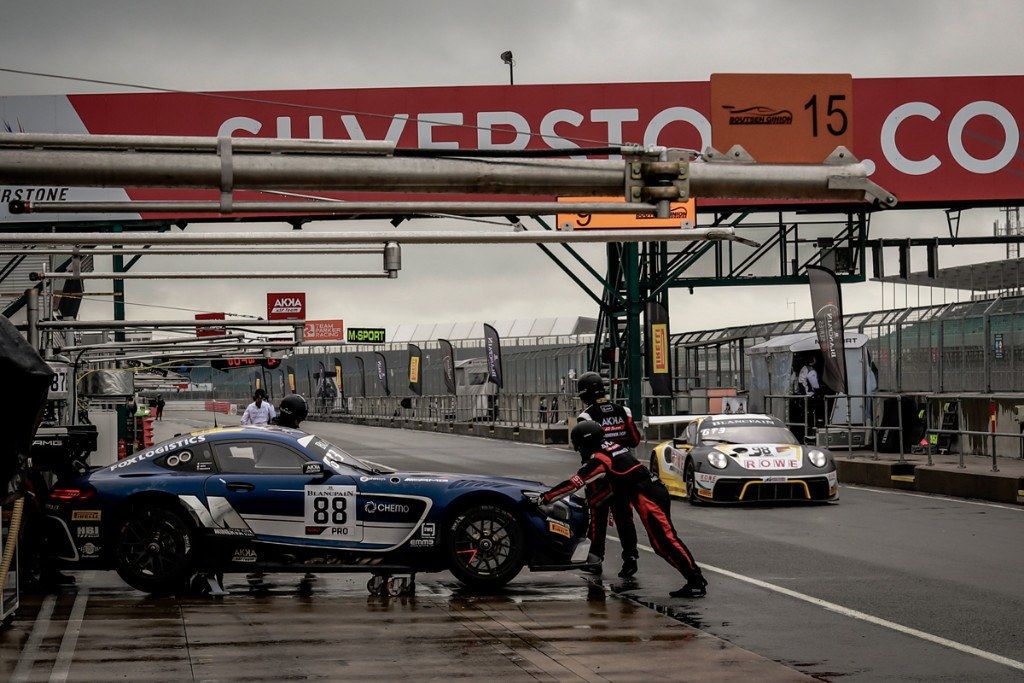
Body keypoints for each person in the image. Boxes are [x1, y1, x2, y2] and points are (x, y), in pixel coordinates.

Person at [535, 421, 707, 598]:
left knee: (665, 541)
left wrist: (544, 498)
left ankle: (695, 581)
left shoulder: (600, 459)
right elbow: (614, 485)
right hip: (646, 491)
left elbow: (574, 483)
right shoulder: (611, 446)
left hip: (648, 495)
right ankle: (692, 578)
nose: (579, 451)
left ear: (586, 442)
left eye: (579, 446)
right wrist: (593, 501)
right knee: (659, 543)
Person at [575, 371, 640, 579]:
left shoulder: (586, 416)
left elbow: (585, 452)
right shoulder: (624, 411)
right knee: (624, 517)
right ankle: (630, 559)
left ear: (585, 394)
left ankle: (595, 560)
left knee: (597, 516)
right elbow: (635, 439)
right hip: (623, 471)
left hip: (600, 475)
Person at [797, 356, 824, 434]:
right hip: (809, 395)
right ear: (813, 361)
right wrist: (820, 390)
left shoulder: (804, 368)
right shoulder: (811, 370)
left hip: (804, 395)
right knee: (816, 408)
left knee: (807, 412)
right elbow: (815, 385)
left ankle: (808, 426)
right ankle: (815, 425)